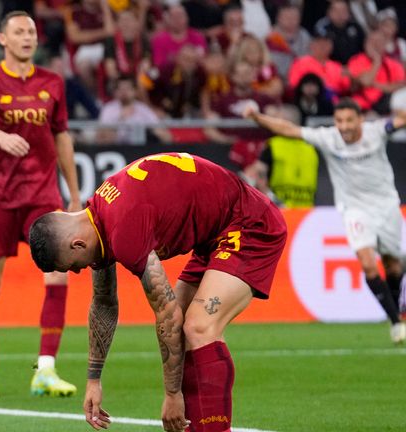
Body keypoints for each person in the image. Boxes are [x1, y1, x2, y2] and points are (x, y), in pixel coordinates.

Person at [28, 152, 287, 432]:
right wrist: (94, 380)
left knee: (198, 326)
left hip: (249, 223)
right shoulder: (98, 217)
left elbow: (168, 314)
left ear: (76, 245)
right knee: (188, 326)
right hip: (214, 235)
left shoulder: (123, 228)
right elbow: (103, 301)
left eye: (72, 266)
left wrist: (172, 396)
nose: (79, 271)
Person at [0, 10, 81, 399]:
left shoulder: (53, 82)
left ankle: (46, 370)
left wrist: (75, 192)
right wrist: (0, 137)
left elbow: (62, 136)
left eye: (31, 31)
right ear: (3, 39)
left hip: (42, 195)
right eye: (19, 31)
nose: (27, 37)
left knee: (58, 273)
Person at [244, 98, 406, 343]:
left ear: (360, 119)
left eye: (350, 120)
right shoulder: (328, 138)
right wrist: (257, 117)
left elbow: (400, 120)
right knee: (367, 263)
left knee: (393, 265)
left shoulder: (376, 132)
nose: (344, 126)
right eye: (339, 121)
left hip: (386, 206)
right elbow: (289, 129)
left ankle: (398, 315)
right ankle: (396, 323)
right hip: (354, 209)